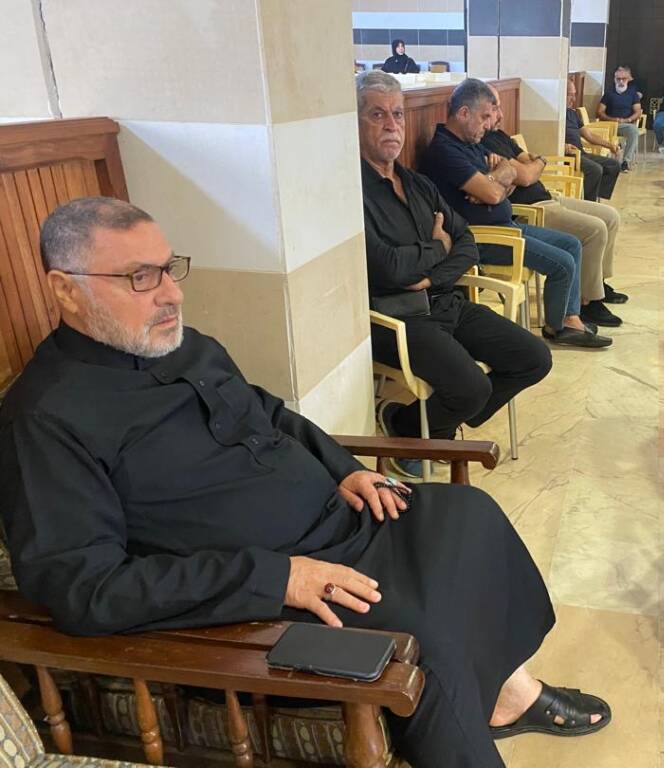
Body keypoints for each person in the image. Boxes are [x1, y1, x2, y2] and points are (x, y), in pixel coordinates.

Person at [0, 196, 614, 768]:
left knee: (465, 514)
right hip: (261, 598)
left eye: (168, 268)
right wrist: (278, 578)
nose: (171, 294)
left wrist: (345, 468)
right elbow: (82, 588)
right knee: (423, 636)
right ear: (66, 290)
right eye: (141, 277)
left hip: (336, 522)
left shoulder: (181, 346)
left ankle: (505, 691)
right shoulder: (45, 418)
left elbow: (269, 414)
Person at [357, 72, 552, 477]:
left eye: (397, 114)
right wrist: (437, 246)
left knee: (534, 358)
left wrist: (432, 275)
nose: (392, 125)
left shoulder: (416, 183)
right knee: (473, 386)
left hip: (444, 299)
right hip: (398, 318)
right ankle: (419, 429)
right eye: (378, 115)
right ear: (354, 122)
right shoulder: (352, 193)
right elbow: (389, 267)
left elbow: (466, 243)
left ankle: (419, 423)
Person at [421, 78, 611, 348]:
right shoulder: (444, 150)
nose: (489, 124)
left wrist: (495, 178)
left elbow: (509, 177)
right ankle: (559, 327)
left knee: (571, 244)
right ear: (463, 113)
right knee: (563, 263)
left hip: (506, 225)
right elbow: (494, 194)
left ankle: (569, 318)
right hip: (484, 238)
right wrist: (495, 184)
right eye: (485, 116)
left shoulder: (471, 143)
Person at [480, 84, 627, 328]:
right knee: (595, 229)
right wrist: (531, 166)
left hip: (549, 197)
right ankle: (588, 302)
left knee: (610, 216)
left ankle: (597, 284)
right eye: (493, 108)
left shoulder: (500, 136)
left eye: (499, 107)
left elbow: (532, 162)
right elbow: (526, 175)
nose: (500, 114)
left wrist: (531, 164)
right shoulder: (484, 144)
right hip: (533, 209)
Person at [565, 79, 621, 201]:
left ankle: (596, 196)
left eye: (574, 95)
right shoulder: (557, 117)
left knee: (613, 165)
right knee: (595, 169)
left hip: (582, 154)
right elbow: (550, 140)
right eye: (570, 95)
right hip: (570, 156)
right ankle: (589, 202)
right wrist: (563, 146)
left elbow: (589, 135)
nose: (573, 99)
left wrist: (609, 145)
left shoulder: (572, 114)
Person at [597, 66, 642, 170]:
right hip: (610, 124)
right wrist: (611, 119)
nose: (621, 81)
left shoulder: (633, 94)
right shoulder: (608, 94)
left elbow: (638, 112)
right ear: (614, 79)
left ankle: (626, 161)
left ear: (628, 79)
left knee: (634, 130)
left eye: (624, 79)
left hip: (626, 124)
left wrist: (628, 120)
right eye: (618, 79)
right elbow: (599, 112)